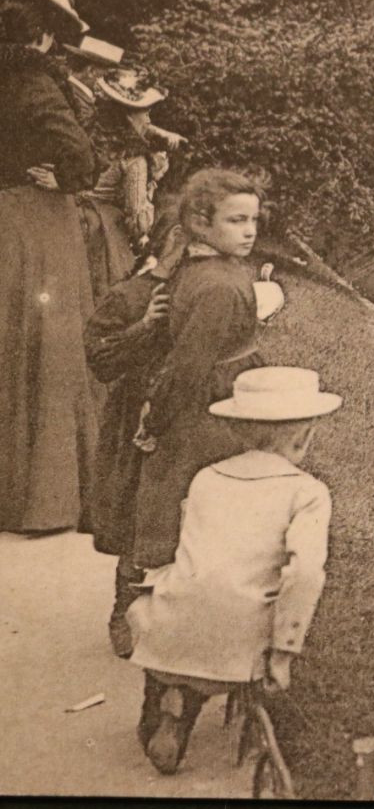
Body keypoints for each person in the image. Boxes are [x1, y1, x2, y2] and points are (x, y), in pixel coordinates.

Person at [128, 365, 340, 775]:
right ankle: (271, 742)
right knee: (262, 619)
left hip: (168, 630)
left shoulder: (206, 478)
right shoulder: (307, 492)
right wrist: (284, 653)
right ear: (305, 435)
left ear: (237, 430)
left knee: (192, 602)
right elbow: (306, 575)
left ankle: (174, 700)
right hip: (238, 648)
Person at [0, 0, 101, 535]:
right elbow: (81, 159)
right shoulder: (35, 84)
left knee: (8, 345)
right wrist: (63, 177)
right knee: (52, 347)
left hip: (1, 221)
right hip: (38, 222)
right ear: (42, 37)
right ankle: (47, 500)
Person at [130, 169, 267, 570]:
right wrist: (156, 419)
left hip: (218, 389)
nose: (249, 231)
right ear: (200, 224)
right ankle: (152, 594)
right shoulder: (218, 286)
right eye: (236, 220)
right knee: (188, 495)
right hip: (210, 403)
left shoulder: (211, 269)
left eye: (254, 220)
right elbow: (188, 366)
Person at [85, 218, 186, 657]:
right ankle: (122, 610)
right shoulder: (130, 294)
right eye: (182, 243)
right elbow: (101, 360)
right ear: (163, 246)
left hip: (184, 416)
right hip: (135, 422)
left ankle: (177, 611)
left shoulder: (205, 291)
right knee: (136, 516)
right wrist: (144, 325)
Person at [79, 69, 184, 298]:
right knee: (103, 293)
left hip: (73, 218)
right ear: (128, 116)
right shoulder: (134, 159)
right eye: (145, 112)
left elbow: (142, 127)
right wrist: (154, 179)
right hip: (102, 230)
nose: (148, 118)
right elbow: (138, 220)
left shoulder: (92, 134)